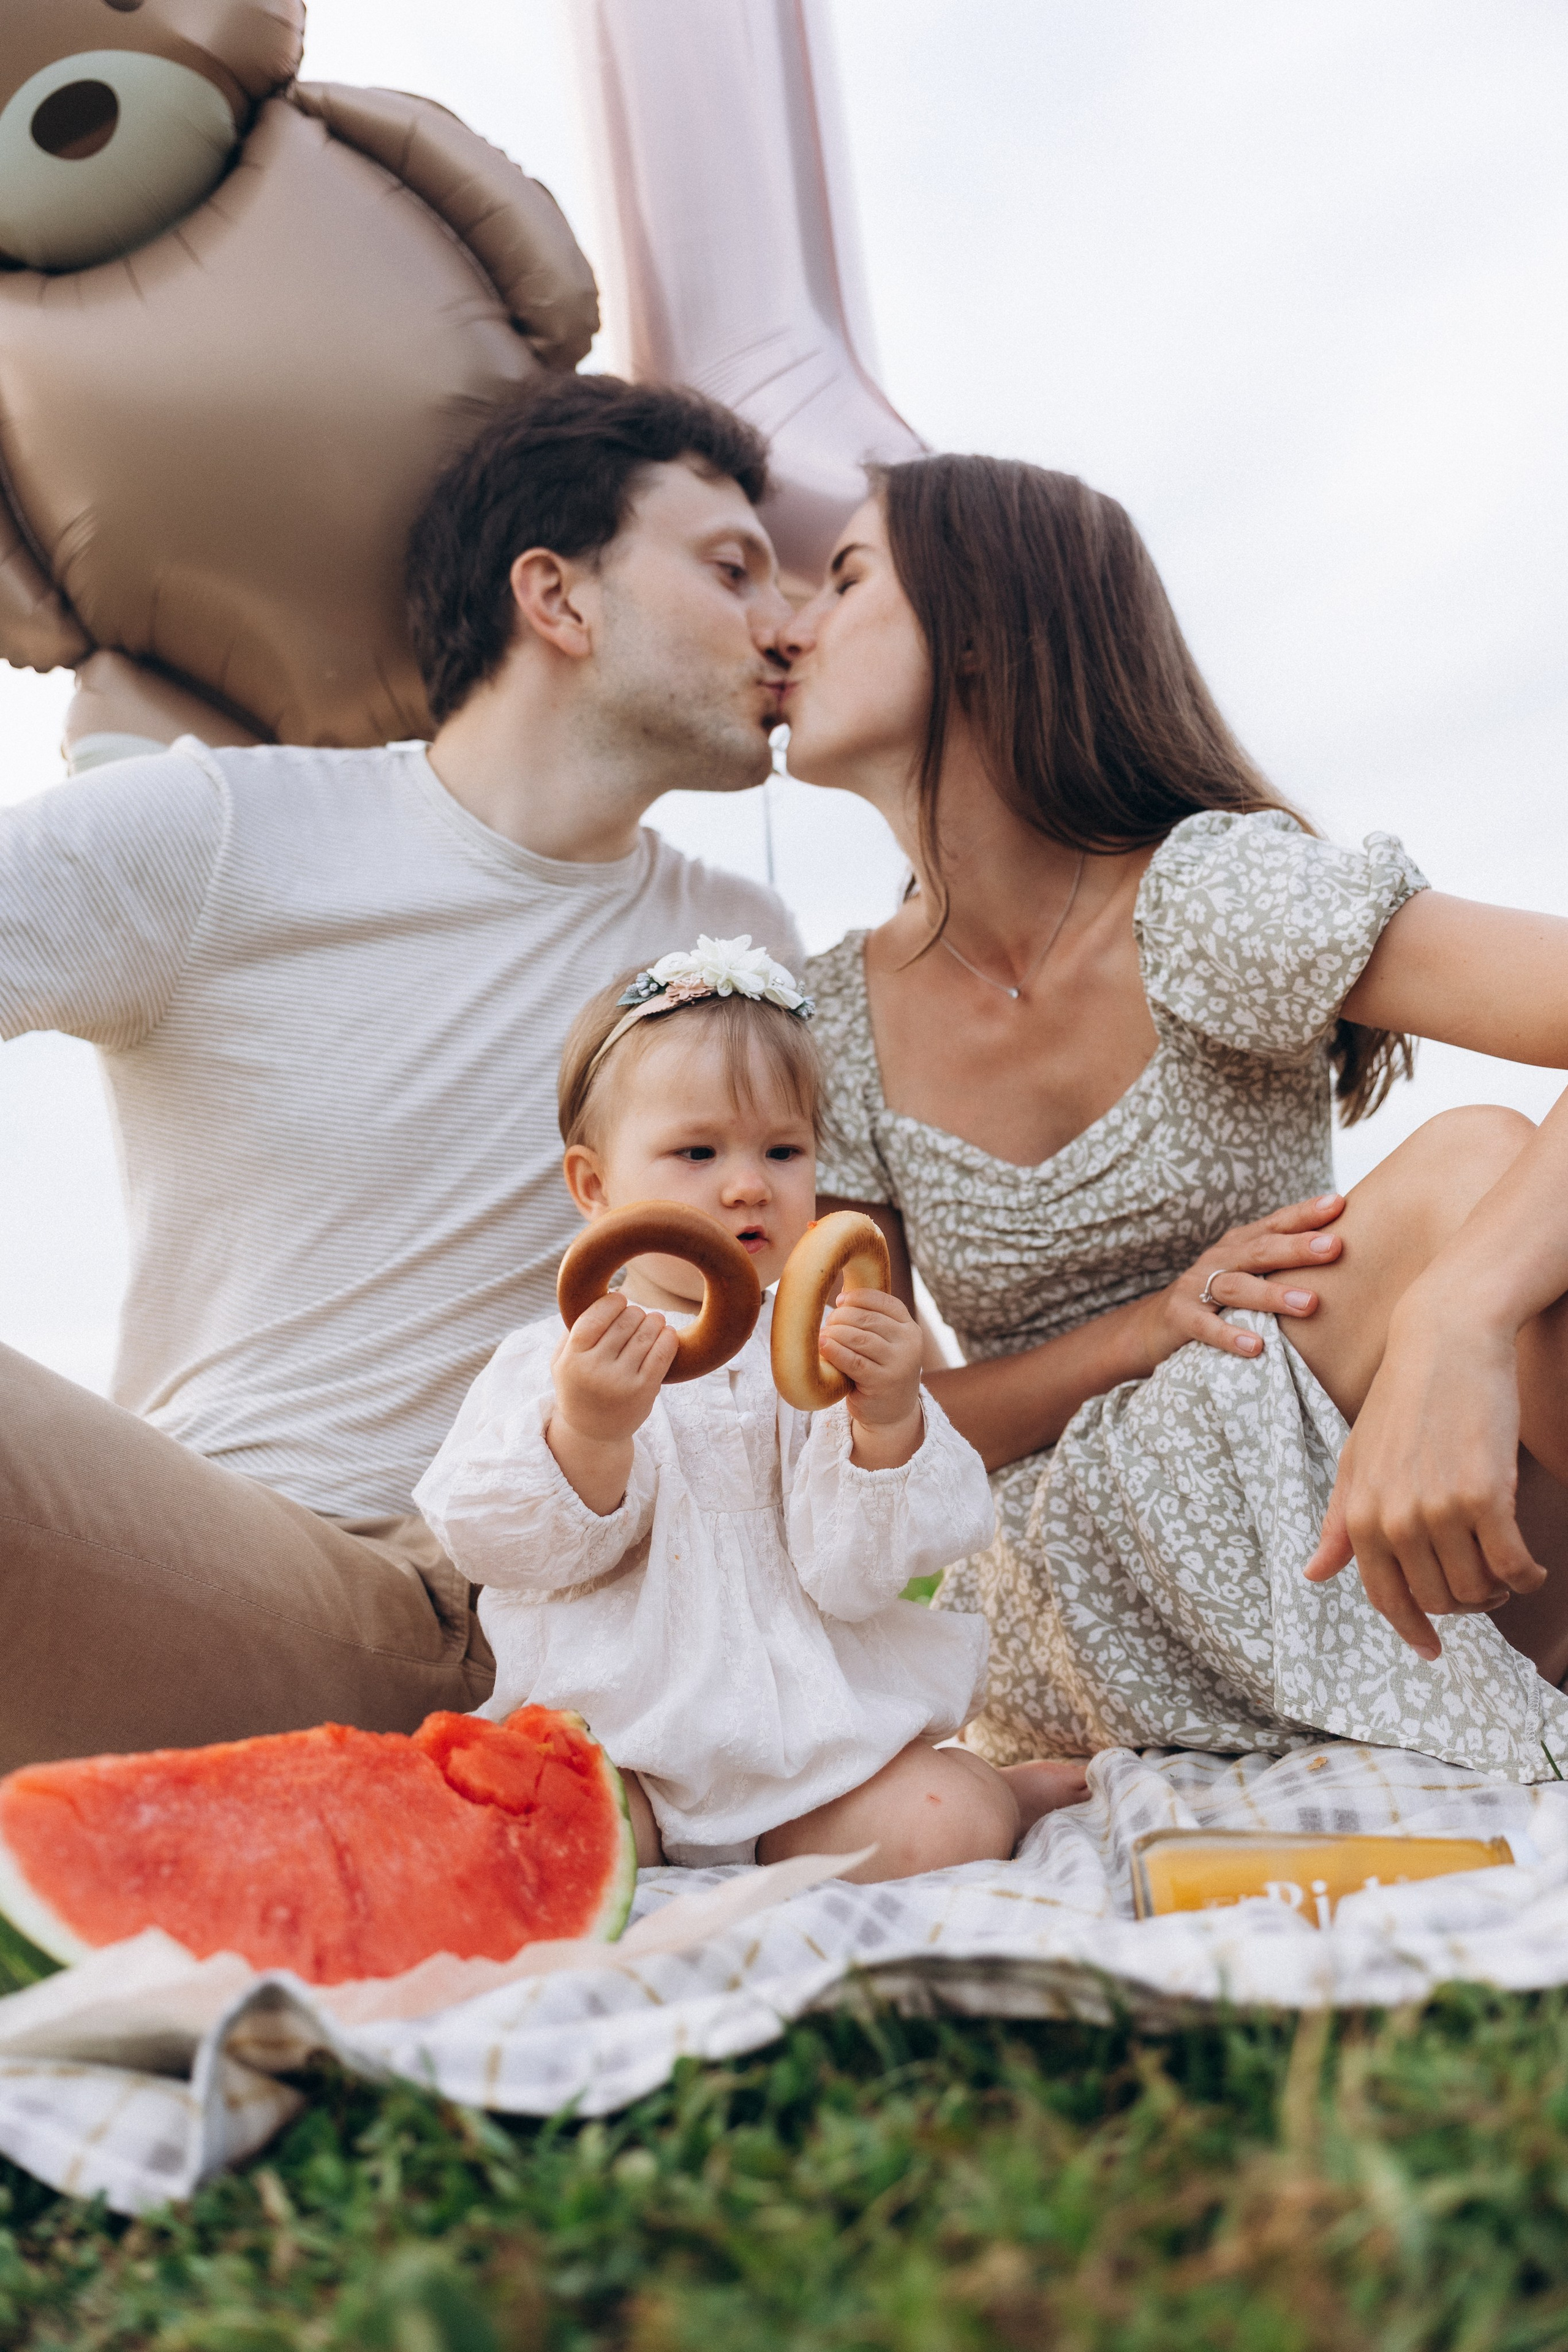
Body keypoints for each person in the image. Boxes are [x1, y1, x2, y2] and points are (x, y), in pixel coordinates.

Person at [0, 375, 807, 1771]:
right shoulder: (218, 834)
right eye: (732, 568)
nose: (785, 623)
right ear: (557, 600)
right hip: (196, 1572)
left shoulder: (737, 950)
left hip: (491, 1597)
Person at [782, 453, 1568, 1783]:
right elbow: (864, 1426)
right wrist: (1143, 1330)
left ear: (978, 630)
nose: (790, 626)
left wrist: (1457, 1314)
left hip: (1323, 1483)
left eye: (845, 576)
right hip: (1058, 1579)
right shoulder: (830, 1023)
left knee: (1490, 1205)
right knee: (1470, 1176)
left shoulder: (1202, 895)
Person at [415, 938, 1088, 1878]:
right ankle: (657, 1843)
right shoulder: (559, 1358)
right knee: (539, 1830)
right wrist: (588, 1433)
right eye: (697, 1151)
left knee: (948, 1817)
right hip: (627, 1746)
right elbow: (492, 1547)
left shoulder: (822, 1347)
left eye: (783, 1149)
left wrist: (889, 1419)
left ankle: (972, 1796)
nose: (748, 1184)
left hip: (816, 1756)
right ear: (596, 1187)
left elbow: (860, 1576)